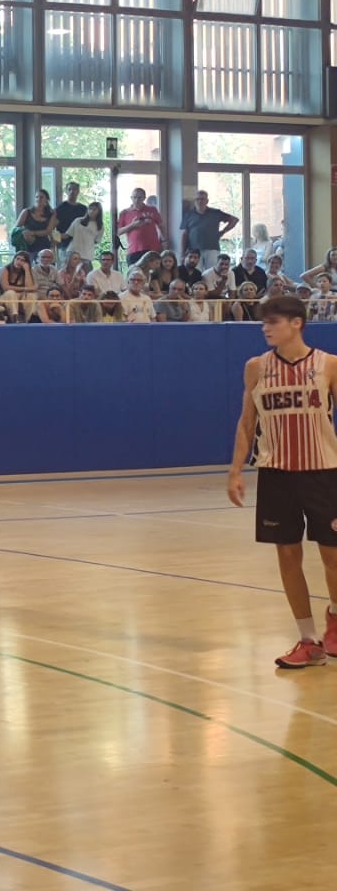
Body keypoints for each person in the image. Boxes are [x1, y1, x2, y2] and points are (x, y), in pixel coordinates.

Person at [225, 296, 337, 668]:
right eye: (264, 323)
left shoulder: (329, 365)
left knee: (332, 555)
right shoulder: (256, 368)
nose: (265, 328)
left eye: (273, 322)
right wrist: (236, 470)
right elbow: (247, 423)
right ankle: (308, 640)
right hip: (275, 473)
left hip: (324, 471)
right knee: (288, 555)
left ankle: (335, 616)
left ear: (297, 323)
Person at [182, 189, 238, 271]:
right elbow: (185, 234)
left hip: (212, 248)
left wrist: (223, 232)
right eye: (198, 199)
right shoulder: (189, 215)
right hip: (194, 250)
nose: (200, 201)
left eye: (202, 199)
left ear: (207, 201)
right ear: (195, 201)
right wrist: (182, 253)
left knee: (212, 272)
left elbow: (234, 220)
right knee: (196, 273)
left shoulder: (215, 213)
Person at [117, 186, 164, 268]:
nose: (137, 200)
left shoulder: (152, 210)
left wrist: (164, 240)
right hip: (134, 250)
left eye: (139, 197)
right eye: (134, 197)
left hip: (153, 249)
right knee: (135, 275)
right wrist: (132, 225)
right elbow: (118, 232)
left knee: (153, 276)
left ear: (144, 198)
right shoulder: (125, 213)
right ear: (131, 198)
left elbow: (161, 226)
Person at [53, 182, 88, 257]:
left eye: (74, 189)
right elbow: (51, 228)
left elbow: (87, 227)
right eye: (69, 189)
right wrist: (58, 239)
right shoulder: (60, 208)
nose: (72, 191)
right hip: (64, 246)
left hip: (80, 245)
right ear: (66, 191)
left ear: (78, 191)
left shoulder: (83, 209)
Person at [17, 189, 56, 257]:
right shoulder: (26, 212)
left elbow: (49, 231)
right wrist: (25, 232)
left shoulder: (51, 214)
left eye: (41, 197)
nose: (38, 199)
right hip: (28, 246)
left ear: (47, 199)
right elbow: (17, 228)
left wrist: (33, 233)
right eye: (37, 197)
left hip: (44, 246)